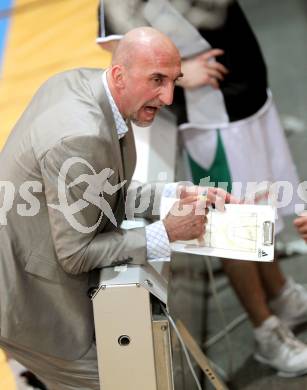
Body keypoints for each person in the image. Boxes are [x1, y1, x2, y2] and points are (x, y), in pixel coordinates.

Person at [0, 27, 235, 390]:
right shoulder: (81, 135)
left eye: (174, 80)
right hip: (28, 301)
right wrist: (166, 233)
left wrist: (176, 194)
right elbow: (76, 254)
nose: (168, 96)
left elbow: (102, 192)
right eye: (156, 79)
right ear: (119, 75)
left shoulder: (80, 84)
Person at [98, 0, 307, 377]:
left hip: (249, 99)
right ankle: (266, 333)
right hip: (213, 115)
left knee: (263, 212)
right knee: (235, 226)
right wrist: (177, 75)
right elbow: (115, 42)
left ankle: (280, 295)